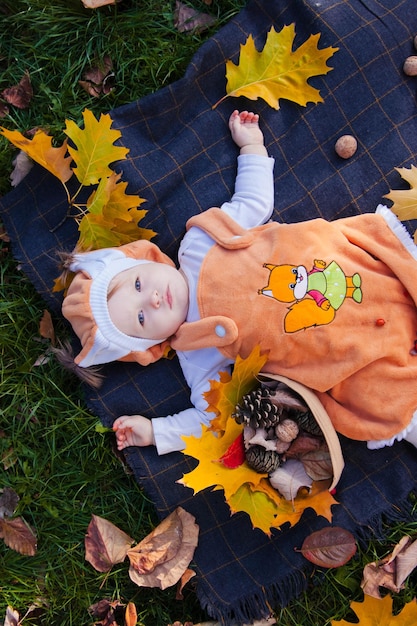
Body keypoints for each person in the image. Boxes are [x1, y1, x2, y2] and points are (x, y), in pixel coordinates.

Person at [61, 110, 417, 456]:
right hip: (338, 350)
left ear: (144, 259)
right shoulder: (195, 351)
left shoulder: (199, 243)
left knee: (393, 272)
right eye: (140, 319)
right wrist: (157, 433)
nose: (153, 299)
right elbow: (213, 416)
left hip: (346, 271)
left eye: (138, 285)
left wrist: (252, 148)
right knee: (380, 397)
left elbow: (253, 202)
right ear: (150, 346)